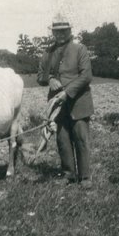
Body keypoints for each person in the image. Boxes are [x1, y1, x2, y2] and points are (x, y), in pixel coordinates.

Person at [37, 14, 94, 188]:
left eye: (64, 31)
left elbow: (86, 76)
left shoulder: (80, 49)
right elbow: (40, 75)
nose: (60, 34)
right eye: (57, 31)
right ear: (53, 32)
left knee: (80, 138)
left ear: (69, 31)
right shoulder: (48, 52)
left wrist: (67, 92)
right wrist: (49, 79)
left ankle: (85, 177)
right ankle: (68, 174)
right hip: (57, 105)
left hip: (78, 101)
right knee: (62, 139)